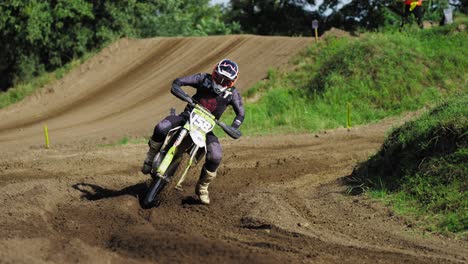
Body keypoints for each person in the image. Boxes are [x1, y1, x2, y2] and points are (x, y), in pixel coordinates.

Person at [141, 59, 245, 205]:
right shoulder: (203, 78)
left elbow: (240, 114)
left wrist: (234, 126)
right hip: (187, 116)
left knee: (216, 156)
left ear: (232, 83)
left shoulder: (233, 94)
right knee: (161, 127)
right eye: (219, 78)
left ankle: (203, 187)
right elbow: (178, 81)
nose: (221, 83)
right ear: (214, 73)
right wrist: (181, 91)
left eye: (226, 82)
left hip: (207, 128)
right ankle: (151, 157)